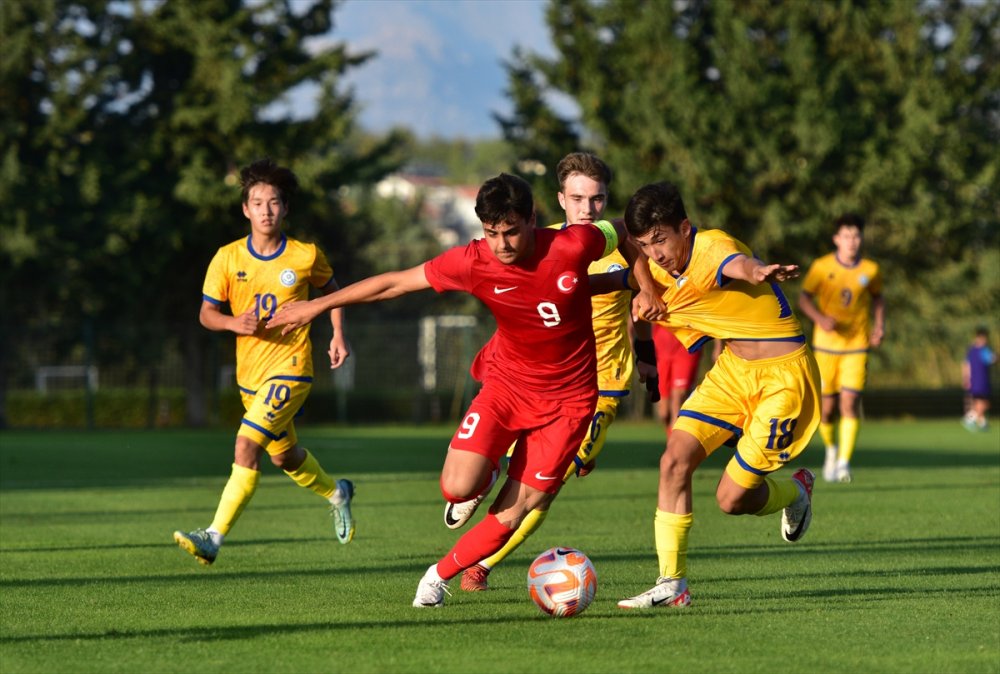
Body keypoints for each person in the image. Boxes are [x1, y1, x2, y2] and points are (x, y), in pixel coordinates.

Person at [266, 173, 646, 607]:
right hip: (507, 385)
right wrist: (317, 305)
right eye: (491, 233)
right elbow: (395, 282)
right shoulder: (473, 260)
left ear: (533, 219)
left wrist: (642, 285)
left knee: (520, 507)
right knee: (455, 487)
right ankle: (485, 475)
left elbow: (627, 234)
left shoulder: (575, 243)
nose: (501, 244)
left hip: (569, 402)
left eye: (511, 232)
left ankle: (437, 576)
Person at [602, 181, 820, 610]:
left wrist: (758, 271)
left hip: (783, 379)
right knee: (673, 460)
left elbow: (738, 263)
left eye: (661, 240)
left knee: (730, 500)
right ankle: (672, 583)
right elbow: (632, 270)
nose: (655, 253)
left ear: (684, 227)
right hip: (732, 372)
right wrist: (645, 352)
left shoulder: (711, 246)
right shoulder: (654, 265)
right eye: (645, 245)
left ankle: (795, 492)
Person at [458, 152, 659, 592]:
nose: (589, 209)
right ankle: (487, 474)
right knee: (515, 470)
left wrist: (646, 355)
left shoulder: (618, 247)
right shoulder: (535, 243)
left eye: (598, 199)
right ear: (560, 199)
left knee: (548, 485)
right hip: (533, 379)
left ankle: (483, 563)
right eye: (578, 198)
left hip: (600, 384)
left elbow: (640, 305)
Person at [173, 158, 355, 566]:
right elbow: (206, 314)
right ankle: (337, 493)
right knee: (283, 457)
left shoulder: (305, 255)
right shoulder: (227, 258)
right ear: (245, 209)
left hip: (292, 369)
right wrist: (233, 322)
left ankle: (212, 537)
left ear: (285, 208)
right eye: (258, 203)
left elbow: (332, 292)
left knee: (245, 446)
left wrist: (338, 333)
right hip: (249, 378)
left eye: (274, 202)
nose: (266, 210)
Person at [797, 213, 885, 483]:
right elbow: (803, 298)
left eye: (856, 236)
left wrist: (879, 326)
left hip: (856, 347)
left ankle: (845, 463)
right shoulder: (822, 267)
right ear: (837, 239)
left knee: (849, 404)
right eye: (846, 236)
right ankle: (831, 452)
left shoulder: (870, 270)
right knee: (827, 410)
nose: (852, 241)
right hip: (826, 349)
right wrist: (820, 319)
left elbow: (878, 298)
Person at [652, 326, 724, 437]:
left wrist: (718, 345)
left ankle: (674, 449)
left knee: (678, 400)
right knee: (664, 413)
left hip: (687, 345)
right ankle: (673, 442)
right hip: (661, 346)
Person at [963, 326, 995, 431]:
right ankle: (969, 418)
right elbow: (992, 359)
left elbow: (965, 365)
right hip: (981, 380)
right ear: (982, 337)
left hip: (974, 380)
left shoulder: (971, 350)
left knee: (978, 402)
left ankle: (982, 423)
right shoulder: (983, 350)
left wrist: (966, 379)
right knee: (984, 403)